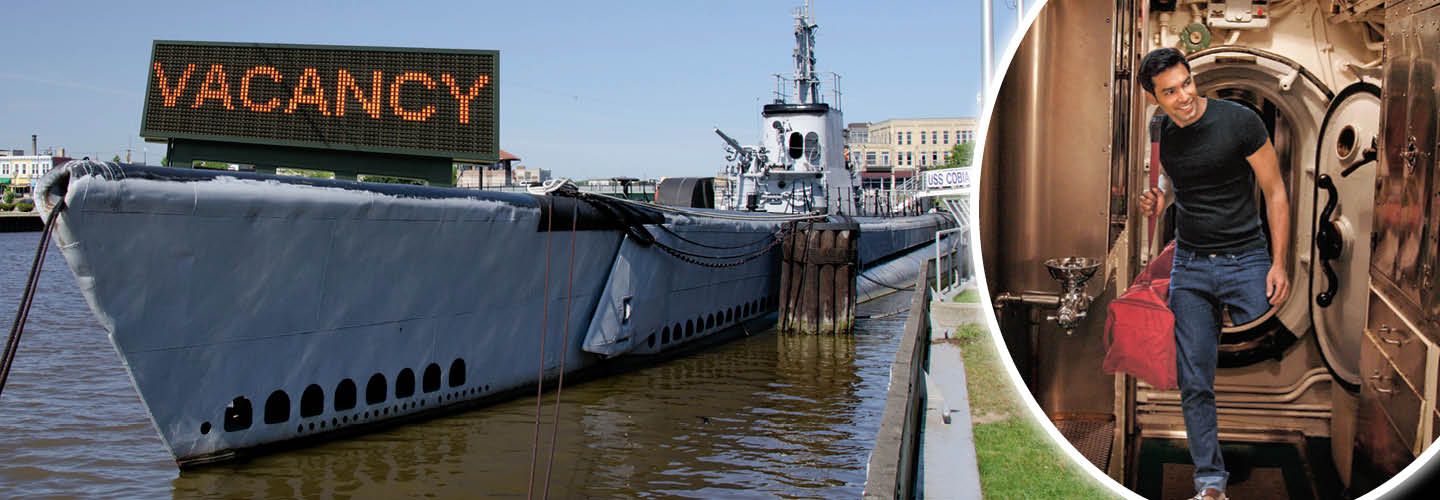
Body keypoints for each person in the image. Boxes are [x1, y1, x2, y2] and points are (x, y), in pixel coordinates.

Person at [1137, 48, 1291, 500]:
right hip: (1191, 265)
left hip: (1247, 259)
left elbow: (1276, 191)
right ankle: (1210, 484)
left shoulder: (1241, 121)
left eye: (1186, 83)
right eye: (1170, 92)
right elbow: (1170, 182)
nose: (1183, 96)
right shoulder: (1161, 129)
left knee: (1274, 332)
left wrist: (1278, 263)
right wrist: (1159, 200)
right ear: (1154, 98)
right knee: (1195, 380)